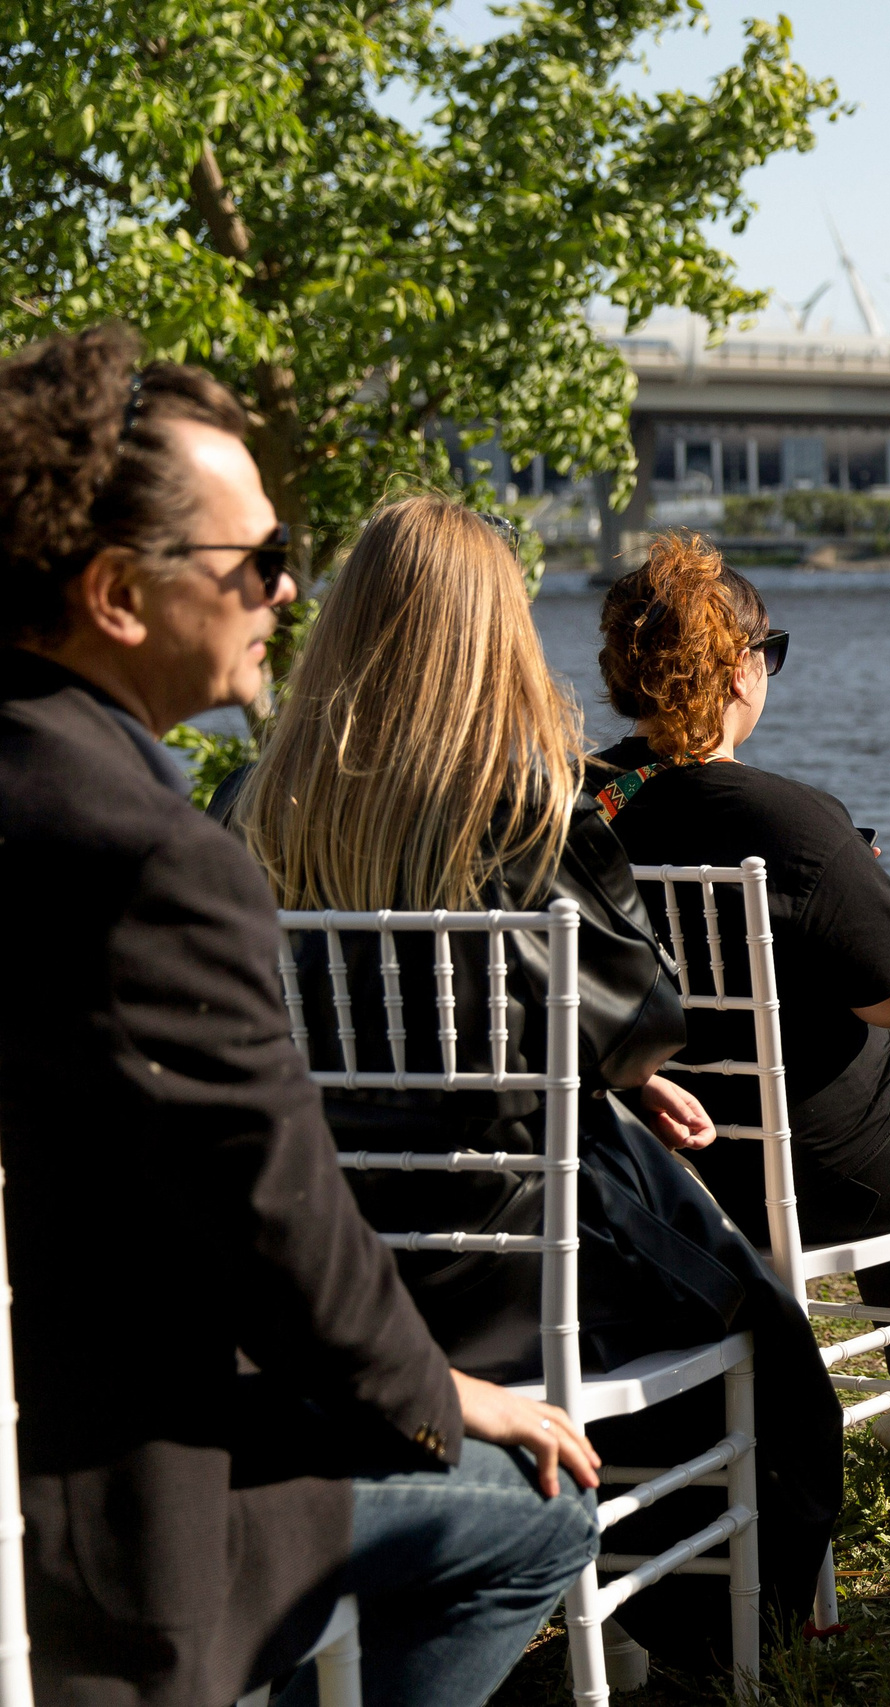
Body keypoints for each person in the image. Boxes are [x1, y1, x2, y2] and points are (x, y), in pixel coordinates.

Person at [0, 325, 598, 1707]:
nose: (286, 591)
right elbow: (287, 1222)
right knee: (539, 1513)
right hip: (126, 1513)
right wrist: (449, 1393)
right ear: (117, 593)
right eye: (258, 562)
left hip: (37, 1416)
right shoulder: (149, 856)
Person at [231, 495, 840, 1678]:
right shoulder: (521, 816)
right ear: (497, 636)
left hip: (334, 1269)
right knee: (755, 1325)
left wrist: (596, 1083)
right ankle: (715, 1634)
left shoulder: (247, 811)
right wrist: (613, 1079)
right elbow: (641, 1017)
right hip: (498, 1268)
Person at [586, 531, 890, 1495]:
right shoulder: (790, 820)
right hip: (816, 1149)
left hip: (661, 1162)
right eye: (766, 652)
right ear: (736, 671)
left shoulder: (581, 802)